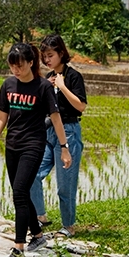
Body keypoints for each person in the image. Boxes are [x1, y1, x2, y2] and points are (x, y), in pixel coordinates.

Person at [0, 43, 72, 257]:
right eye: (12, 66)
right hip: (12, 145)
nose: (16, 70)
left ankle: (19, 247)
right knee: (21, 192)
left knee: (19, 193)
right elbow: (2, 117)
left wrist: (64, 148)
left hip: (33, 145)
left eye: (20, 65)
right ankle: (38, 235)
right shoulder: (8, 85)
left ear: (31, 63)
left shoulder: (43, 87)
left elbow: (56, 118)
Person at [29, 34, 87, 237]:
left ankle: (68, 225)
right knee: (33, 174)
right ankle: (40, 216)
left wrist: (62, 87)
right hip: (49, 131)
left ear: (61, 53)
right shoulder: (48, 77)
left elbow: (81, 106)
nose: (47, 60)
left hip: (69, 131)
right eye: (44, 56)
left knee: (65, 184)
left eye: (50, 55)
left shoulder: (73, 77)